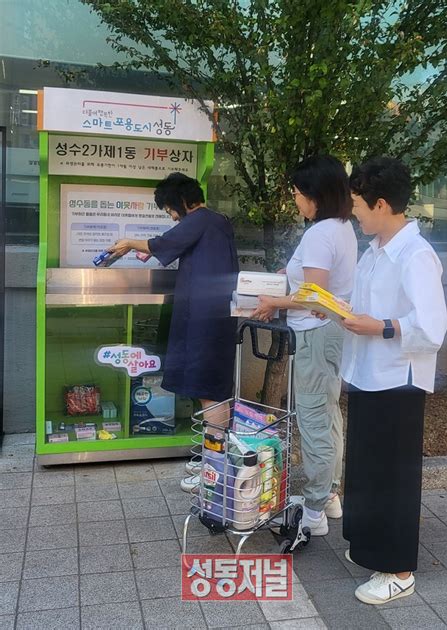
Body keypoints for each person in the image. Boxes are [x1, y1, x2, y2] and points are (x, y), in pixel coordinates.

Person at [340, 157, 447, 604]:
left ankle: (398, 569)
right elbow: (362, 304)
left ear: (382, 204)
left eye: (358, 206)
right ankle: (369, 545)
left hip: (397, 381)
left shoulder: (416, 255)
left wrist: (381, 326)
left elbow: (432, 327)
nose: (354, 214)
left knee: (392, 477)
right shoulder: (375, 249)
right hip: (368, 374)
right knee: (366, 470)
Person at [108, 174, 239, 489]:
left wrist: (128, 243)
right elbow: (173, 245)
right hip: (213, 319)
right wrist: (152, 251)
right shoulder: (215, 223)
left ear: (183, 202)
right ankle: (213, 462)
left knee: (210, 393)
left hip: (205, 324)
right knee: (210, 391)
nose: (172, 216)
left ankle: (216, 471)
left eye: (170, 210)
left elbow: (163, 242)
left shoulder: (201, 219)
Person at [253, 155, 358, 535]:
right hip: (330, 332)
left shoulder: (320, 233)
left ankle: (313, 512)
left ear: (315, 195)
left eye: (297, 193)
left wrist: (273, 302)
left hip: (315, 334)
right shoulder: (342, 227)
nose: (296, 200)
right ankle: (329, 496)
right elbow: (317, 284)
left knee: (314, 417)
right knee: (329, 414)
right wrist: (289, 275)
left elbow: (315, 296)